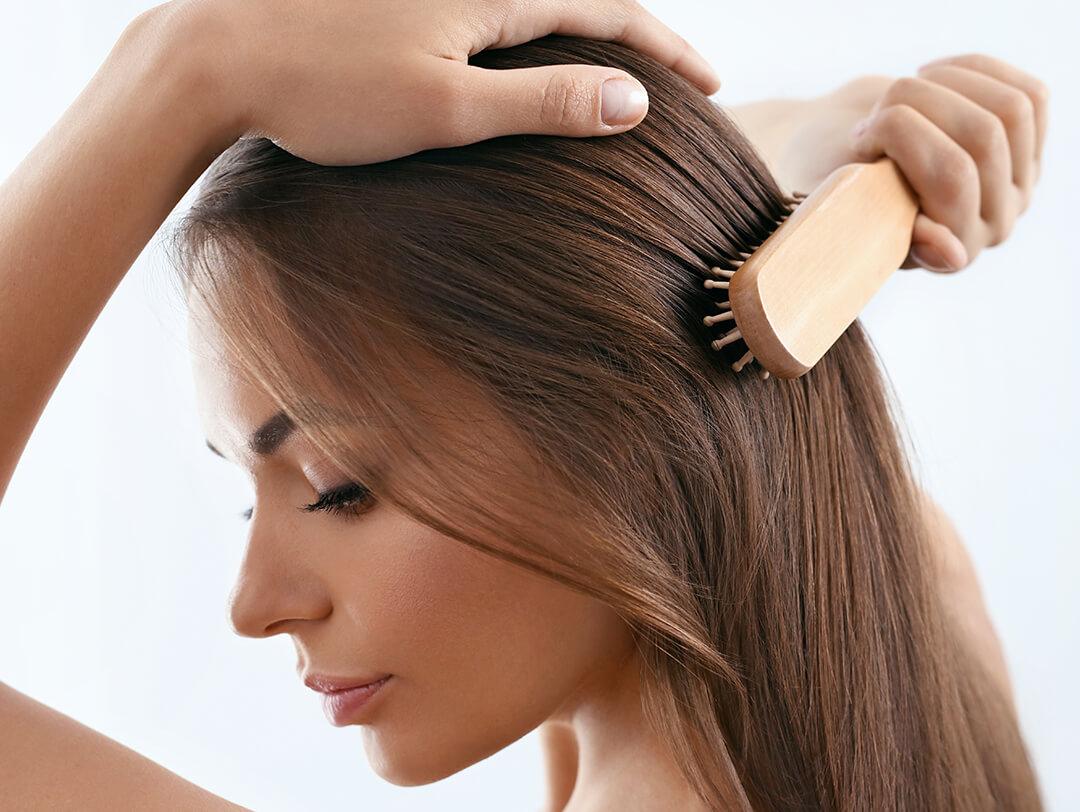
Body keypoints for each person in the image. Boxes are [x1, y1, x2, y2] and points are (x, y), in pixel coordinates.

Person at [0, 2, 1049, 810]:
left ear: (615, 434)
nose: (255, 603)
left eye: (337, 488)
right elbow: (653, 336)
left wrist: (184, 65)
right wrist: (773, 160)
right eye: (247, 495)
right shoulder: (904, 595)